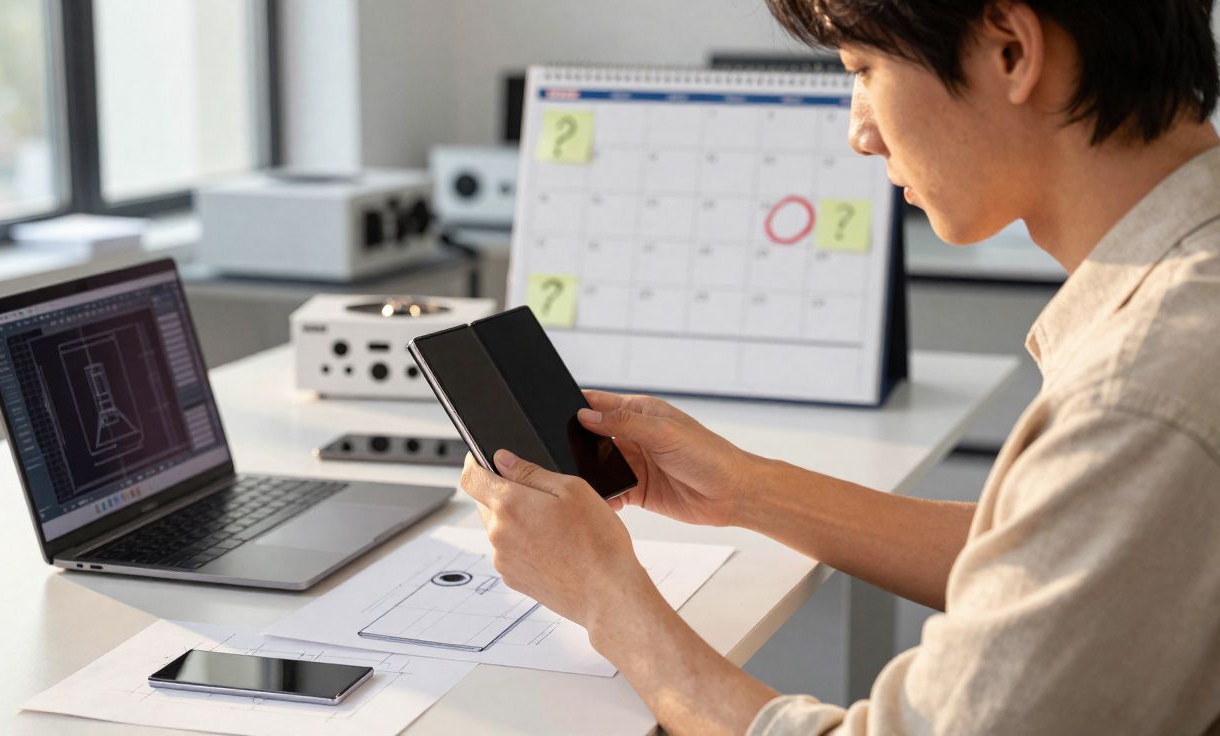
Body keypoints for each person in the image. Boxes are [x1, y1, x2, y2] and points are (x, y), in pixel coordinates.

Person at [462, 1, 1220, 733]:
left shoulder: (1144, 388)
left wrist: (606, 599)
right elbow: (1075, 561)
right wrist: (749, 489)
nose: (859, 133)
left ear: (1010, 50)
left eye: (862, 68)